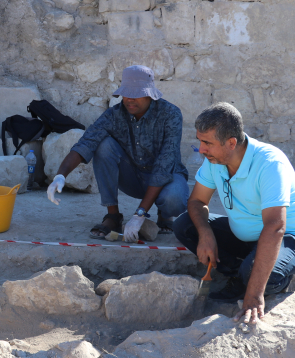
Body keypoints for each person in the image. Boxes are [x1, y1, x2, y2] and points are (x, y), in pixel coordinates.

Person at [173, 103, 295, 324]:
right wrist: (206, 234)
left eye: (207, 143)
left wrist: (253, 298)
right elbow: (196, 201)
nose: (201, 149)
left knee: (260, 276)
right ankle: (241, 274)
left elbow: (275, 227)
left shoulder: (270, 163)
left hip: (294, 237)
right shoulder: (215, 161)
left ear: (231, 143)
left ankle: (263, 280)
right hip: (250, 235)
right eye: (200, 141)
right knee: (184, 225)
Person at [46, 65, 189, 241]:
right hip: (133, 177)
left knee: (174, 199)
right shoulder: (113, 115)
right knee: (103, 144)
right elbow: (86, 142)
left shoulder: (171, 114)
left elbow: (164, 166)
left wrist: (139, 214)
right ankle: (113, 216)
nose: (129, 99)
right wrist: (60, 175)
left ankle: (164, 213)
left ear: (150, 94)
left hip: (166, 178)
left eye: (136, 94)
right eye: (126, 93)